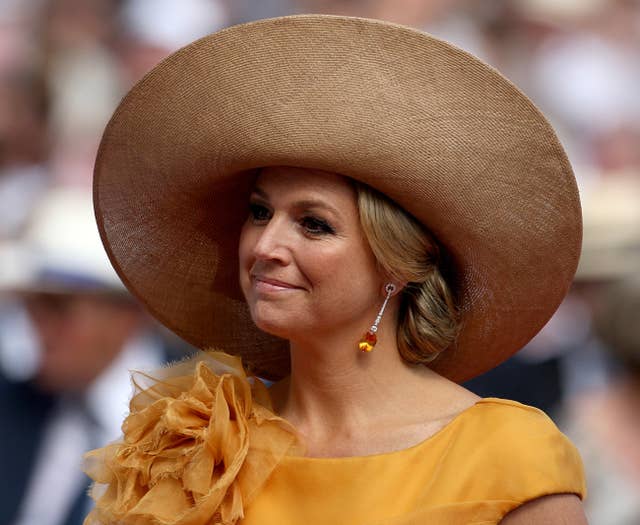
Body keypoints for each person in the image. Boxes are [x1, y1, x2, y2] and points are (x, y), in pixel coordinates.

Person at [83, 15, 587, 525]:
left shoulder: (507, 458)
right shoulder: (191, 447)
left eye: (314, 224)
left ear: (400, 263)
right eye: (260, 212)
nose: (266, 245)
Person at [0, 188, 183, 525]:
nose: (38, 327)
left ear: (127, 313)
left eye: (58, 307)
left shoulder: (197, 424)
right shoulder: (14, 404)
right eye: (32, 306)